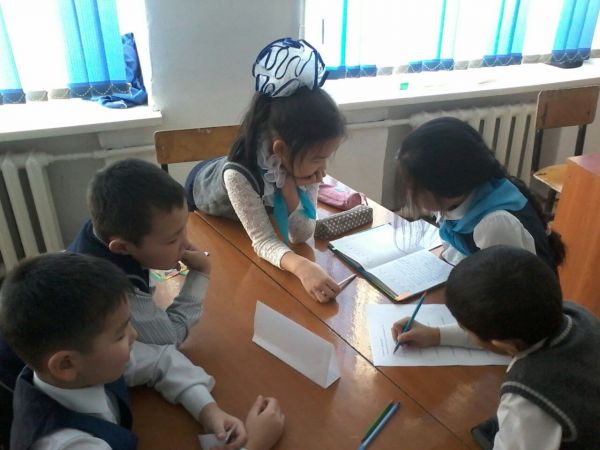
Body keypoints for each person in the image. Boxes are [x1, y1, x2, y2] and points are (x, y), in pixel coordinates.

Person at [0, 252, 284, 450]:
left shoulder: (84, 365)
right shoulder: (67, 444)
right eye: (120, 333)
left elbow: (161, 359)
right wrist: (255, 445)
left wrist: (209, 410)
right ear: (65, 365)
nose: (134, 336)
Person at [186, 37, 346, 304]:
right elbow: (262, 241)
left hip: (253, 190)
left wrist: (291, 189)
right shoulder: (239, 174)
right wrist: (302, 267)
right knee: (232, 285)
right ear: (281, 150)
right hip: (204, 199)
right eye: (319, 158)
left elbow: (301, 234)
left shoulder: (298, 158)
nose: (323, 168)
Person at [397, 246, 599, 450]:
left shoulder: (527, 400)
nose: (464, 330)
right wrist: (436, 335)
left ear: (504, 345)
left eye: (465, 329)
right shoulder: (573, 313)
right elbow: (497, 332)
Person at [68, 158, 210, 346]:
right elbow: (170, 338)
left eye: (183, 228)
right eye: (172, 240)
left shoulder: (104, 229)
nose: (186, 243)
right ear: (121, 247)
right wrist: (199, 275)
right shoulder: (116, 294)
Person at [396, 116, 565, 270]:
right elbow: (454, 253)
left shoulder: (494, 225)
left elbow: (504, 287)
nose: (409, 193)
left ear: (447, 186)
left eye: (414, 187)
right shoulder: (456, 201)